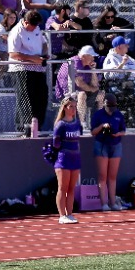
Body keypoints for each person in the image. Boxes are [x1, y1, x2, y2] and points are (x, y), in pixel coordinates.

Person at [9, 9, 50, 133]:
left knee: (42, 96)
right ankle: (24, 127)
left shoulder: (37, 29)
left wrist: (44, 54)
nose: (35, 28)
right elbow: (13, 54)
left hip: (38, 67)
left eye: (37, 25)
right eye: (33, 25)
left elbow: (44, 43)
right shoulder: (16, 32)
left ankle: (37, 125)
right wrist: (32, 59)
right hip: (21, 68)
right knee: (25, 97)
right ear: (26, 22)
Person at [50, 95, 84, 223]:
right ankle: (61, 215)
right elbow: (56, 144)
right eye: (71, 107)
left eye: (75, 107)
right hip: (63, 158)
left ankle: (69, 214)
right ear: (64, 108)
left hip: (75, 157)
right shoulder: (60, 125)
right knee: (62, 188)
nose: (73, 109)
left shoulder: (76, 123)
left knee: (71, 188)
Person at [90, 91, 128, 210]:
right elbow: (93, 132)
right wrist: (102, 126)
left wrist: (117, 134)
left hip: (115, 144)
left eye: (113, 106)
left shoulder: (118, 115)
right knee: (102, 176)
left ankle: (113, 202)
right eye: (109, 106)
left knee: (112, 176)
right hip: (101, 145)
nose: (111, 109)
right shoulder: (98, 115)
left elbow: (123, 130)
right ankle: (104, 203)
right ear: (104, 104)